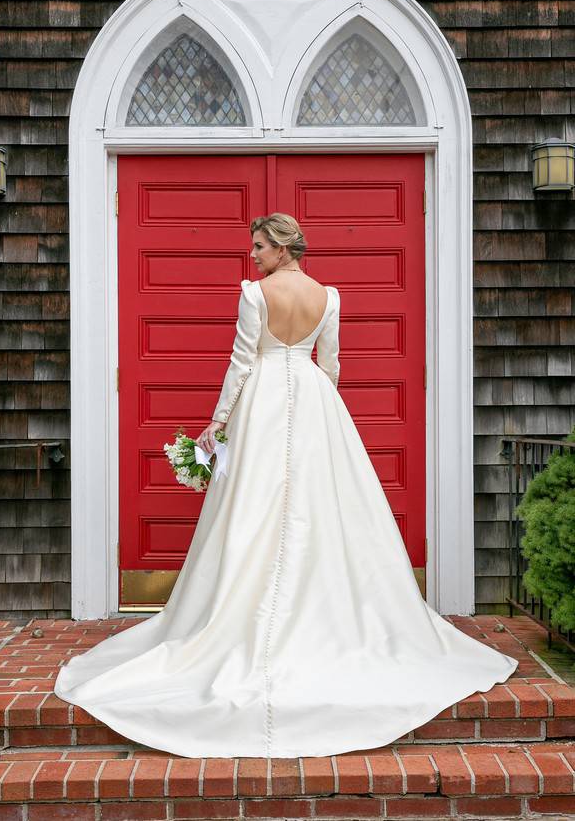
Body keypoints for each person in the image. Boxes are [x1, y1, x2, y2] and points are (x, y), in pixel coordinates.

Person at [54, 212, 518, 758]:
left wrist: (217, 422)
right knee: (326, 507)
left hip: (265, 400)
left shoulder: (254, 295)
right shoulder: (331, 297)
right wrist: (324, 411)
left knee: (253, 506)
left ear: (281, 247)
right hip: (318, 402)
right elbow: (333, 365)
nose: (252, 256)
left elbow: (241, 363)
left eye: (258, 246)